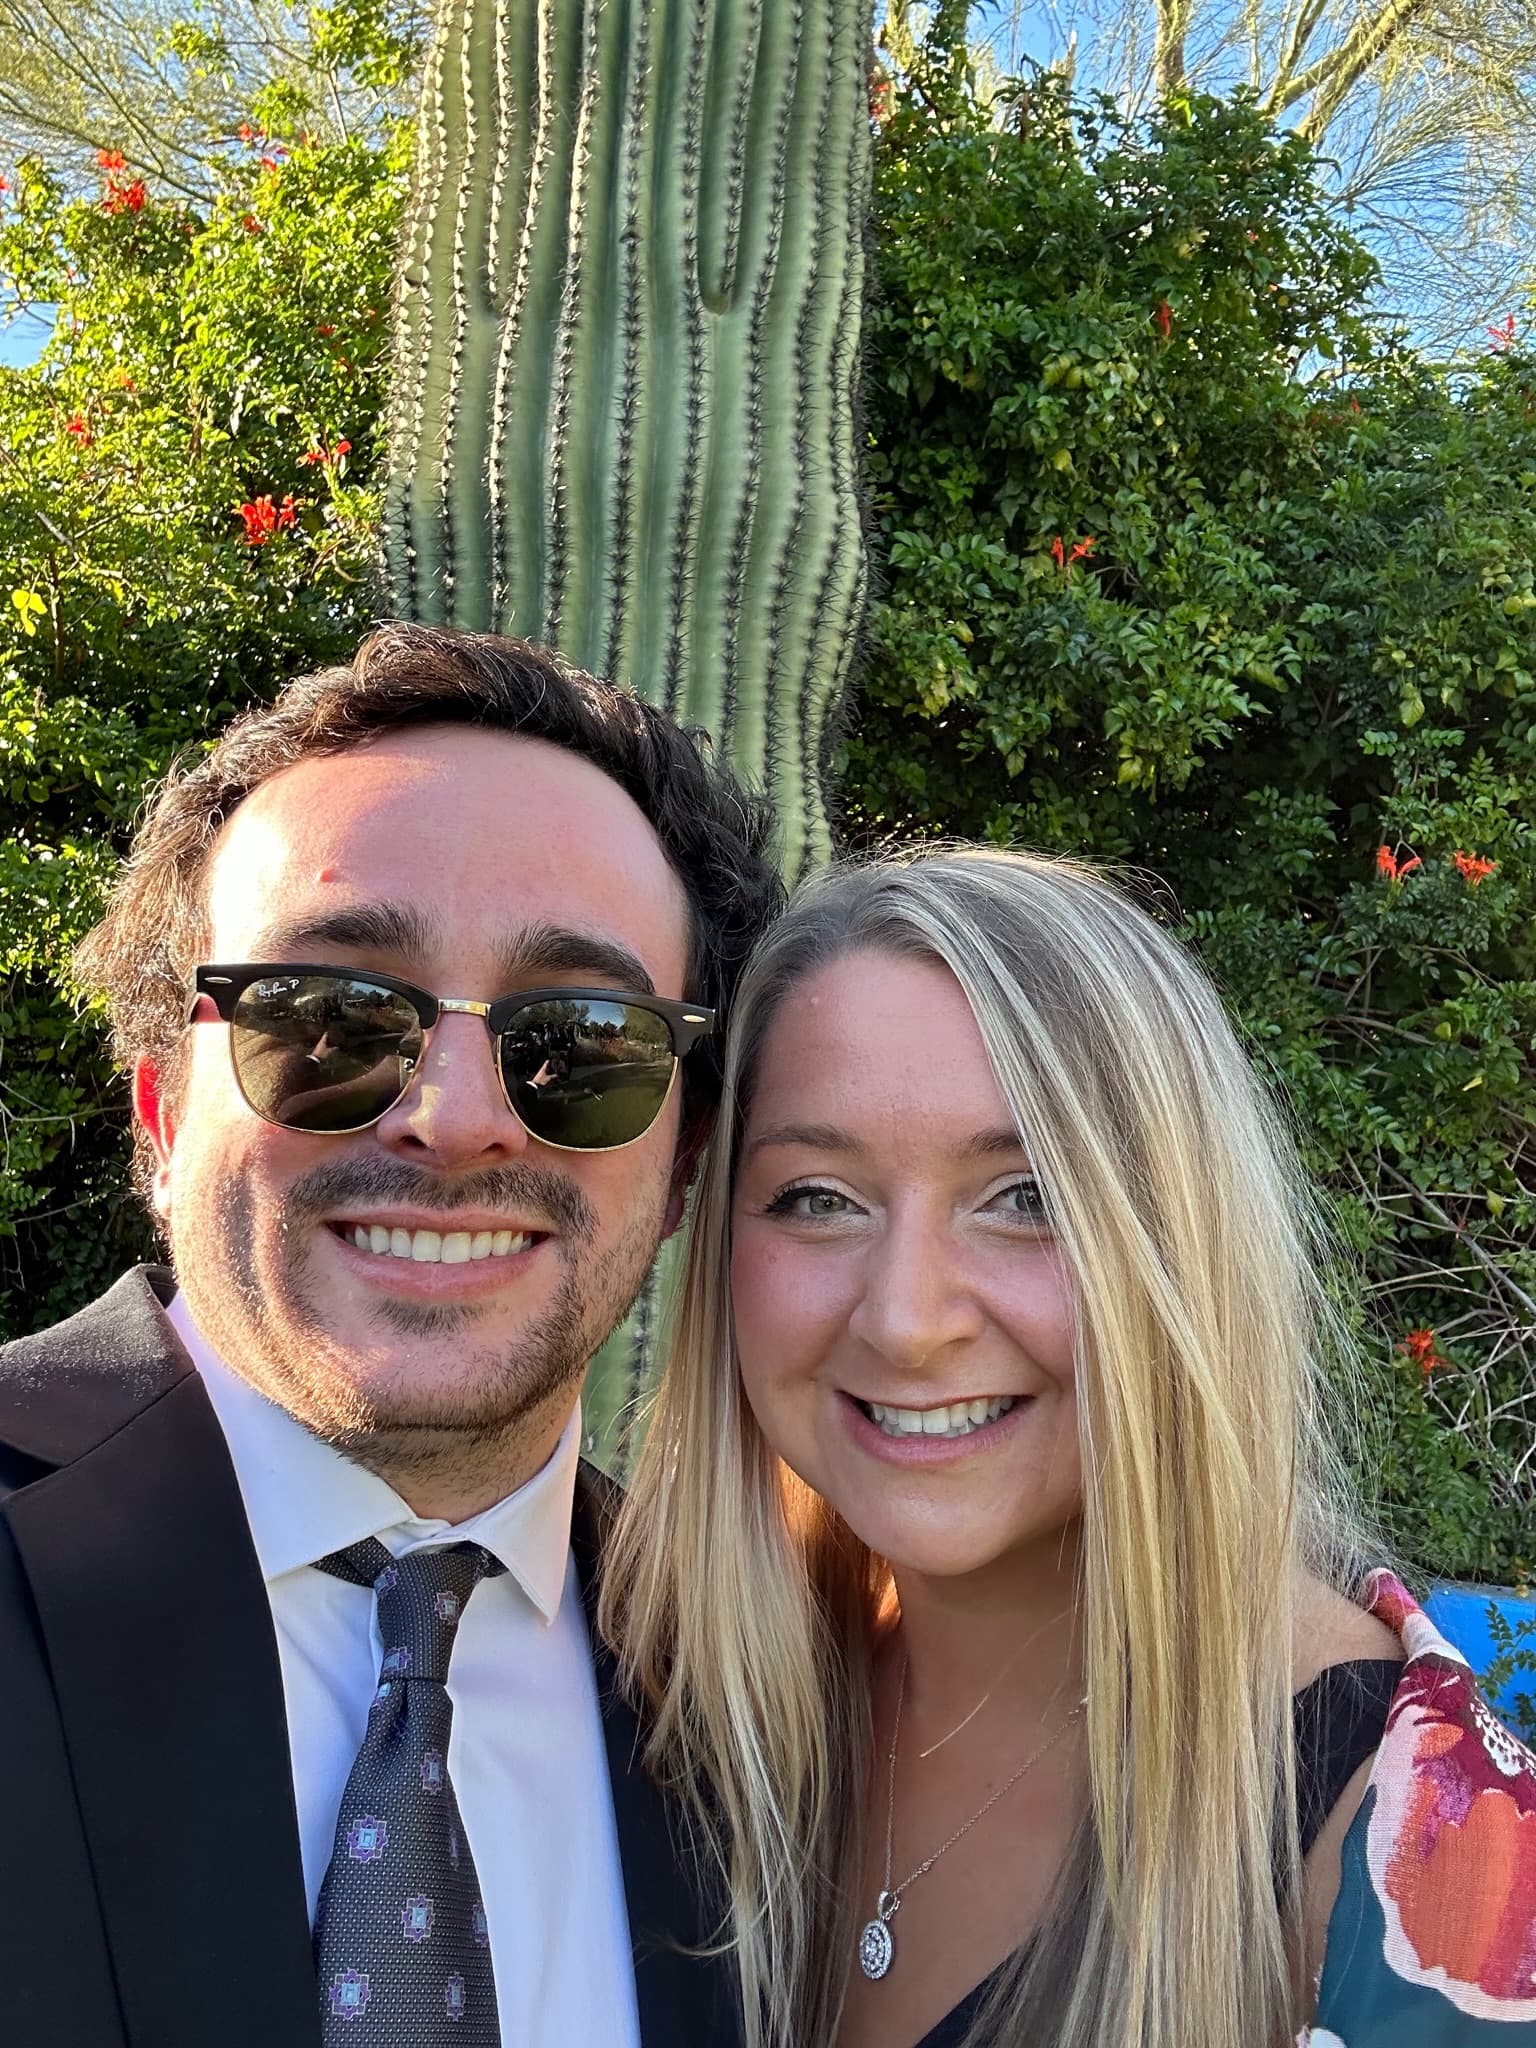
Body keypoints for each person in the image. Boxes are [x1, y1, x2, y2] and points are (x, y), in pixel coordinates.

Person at [602, 846, 1536, 2048]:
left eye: (1026, 1194)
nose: (906, 1316)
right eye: (817, 1196)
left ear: (1180, 1243)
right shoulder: (683, 1720)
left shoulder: (1433, 1870)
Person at [0, 624, 781, 2048]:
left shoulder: (758, 1698)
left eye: (581, 1042)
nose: (455, 1112)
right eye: (329, 1016)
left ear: (683, 1162)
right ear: (163, 1117)